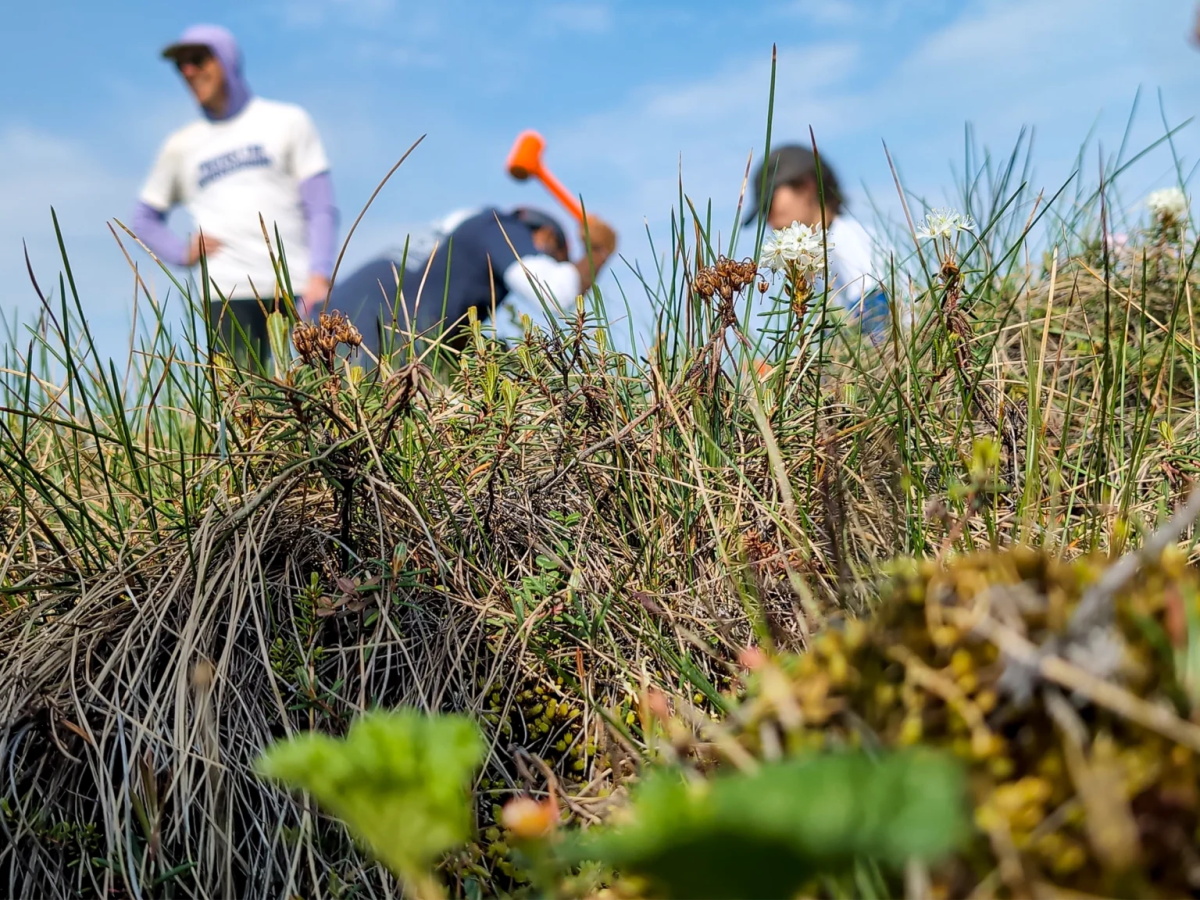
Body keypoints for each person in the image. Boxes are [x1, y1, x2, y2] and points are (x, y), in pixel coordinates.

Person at [131, 24, 339, 366]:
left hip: (296, 285)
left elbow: (320, 206)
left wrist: (319, 273)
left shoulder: (287, 121)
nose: (188, 71)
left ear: (226, 60)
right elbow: (143, 218)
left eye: (198, 59)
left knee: (316, 389)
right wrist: (182, 252)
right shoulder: (181, 145)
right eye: (180, 65)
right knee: (245, 403)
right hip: (224, 292)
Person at [327, 206, 617, 361]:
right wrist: (599, 252)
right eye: (557, 259)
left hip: (325, 332)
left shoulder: (457, 240)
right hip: (362, 347)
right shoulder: (501, 227)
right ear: (544, 238)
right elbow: (556, 292)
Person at [744, 144, 888, 336]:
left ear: (807, 185)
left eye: (769, 203)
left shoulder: (847, 242)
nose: (768, 218)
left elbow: (877, 328)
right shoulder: (821, 254)